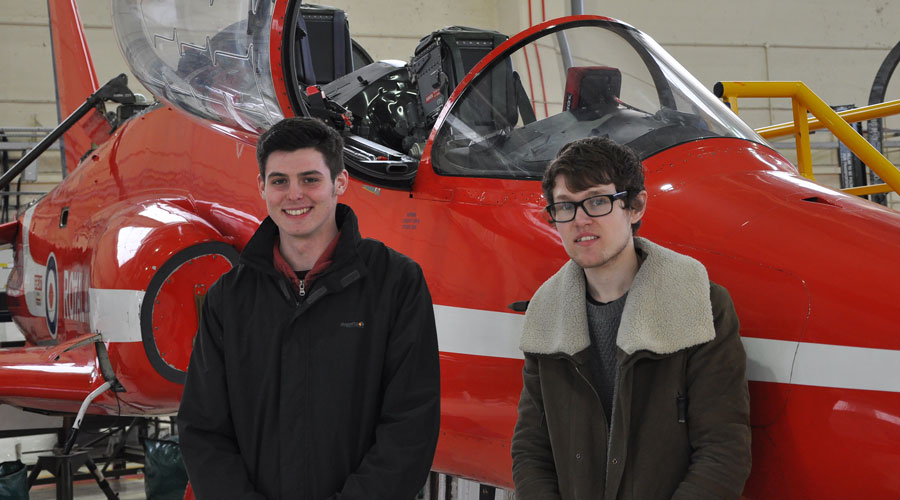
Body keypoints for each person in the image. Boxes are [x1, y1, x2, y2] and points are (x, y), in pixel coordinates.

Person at [178, 117, 441, 500]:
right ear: (262, 188)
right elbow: (203, 430)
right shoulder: (229, 299)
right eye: (279, 181)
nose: (294, 194)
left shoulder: (396, 284)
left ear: (340, 183)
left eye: (310, 179)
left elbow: (410, 424)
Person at [511, 137, 751, 500]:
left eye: (597, 201)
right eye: (565, 207)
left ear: (635, 206)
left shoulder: (700, 302)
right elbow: (531, 449)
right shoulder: (546, 314)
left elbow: (723, 450)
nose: (580, 220)